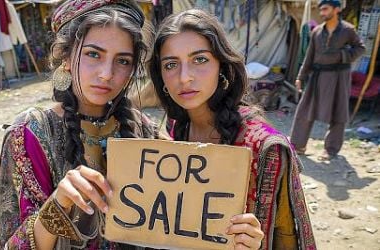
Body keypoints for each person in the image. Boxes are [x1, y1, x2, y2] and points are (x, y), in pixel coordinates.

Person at [0, 1, 262, 249]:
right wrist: (59, 204)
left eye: (123, 61)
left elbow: (184, 227)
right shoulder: (30, 135)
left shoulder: (143, 131)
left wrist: (237, 234)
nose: (106, 73)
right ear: (65, 58)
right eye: (93, 54)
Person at [149, 9, 316, 250]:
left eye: (200, 59)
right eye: (171, 64)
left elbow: (289, 239)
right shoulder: (176, 128)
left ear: (222, 66)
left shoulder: (265, 148)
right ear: (161, 76)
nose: (184, 77)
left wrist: (254, 243)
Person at [291, 0, 365, 160]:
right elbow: (309, 56)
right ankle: (298, 146)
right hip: (317, 76)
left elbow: (360, 48)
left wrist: (342, 56)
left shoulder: (347, 30)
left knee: (338, 112)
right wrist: (300, 77)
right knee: (304, 109)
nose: (322, 13)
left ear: (336, 9)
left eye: (326, 9)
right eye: (321, 10)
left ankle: (330, 149)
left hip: (339, 76)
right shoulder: (317, 31)